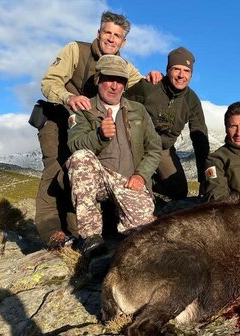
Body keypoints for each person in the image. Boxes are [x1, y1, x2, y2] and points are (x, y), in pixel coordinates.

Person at [35, 11, 162, 248]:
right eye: (108, 33)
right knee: (57, 169)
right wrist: (68, 97)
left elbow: (141, 87)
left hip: (95, 122)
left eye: (117, 36)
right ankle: (51, 229)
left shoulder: (123, 66)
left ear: (123, 42)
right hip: (62, 114)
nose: (111, 39)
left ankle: (83, 225)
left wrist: (156, 79)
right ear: (99, 33)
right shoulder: (76, 50)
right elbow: (49, 82)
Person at [66, 54, 162, 259]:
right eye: (109, 79)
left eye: (120, 81)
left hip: (129, 182)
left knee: (145, 236)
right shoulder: (83, 109)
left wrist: (142, 175)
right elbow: (74, 144)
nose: (114, 86)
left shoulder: (138, 110)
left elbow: (154, 148)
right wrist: (99, 136)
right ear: (98, 80)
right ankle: (91, 237)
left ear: (125, 85)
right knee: (80, 157)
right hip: (99, 179)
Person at [125, 46, 209, 200]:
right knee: (128, 180)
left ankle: (148, 183)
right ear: (168, 70)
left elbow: (200, 140)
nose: (181, 75)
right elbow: (120, 104)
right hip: (136, 144)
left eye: (186, 71)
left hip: (163, 149)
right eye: (176, 69)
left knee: (179, 191)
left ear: (191, 75)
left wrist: (204, 180)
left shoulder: (192, 101)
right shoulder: (149, 87)